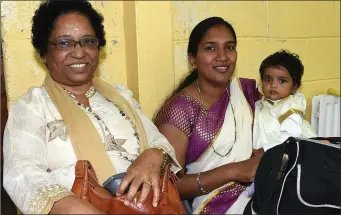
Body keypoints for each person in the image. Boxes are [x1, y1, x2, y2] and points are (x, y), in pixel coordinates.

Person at [2, 0, 180, 214]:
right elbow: (23, 175)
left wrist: (153, 155)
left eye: (87, 41)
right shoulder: (32, 107)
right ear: (43, 52)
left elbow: (159, 141)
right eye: (64, 43)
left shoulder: (121, 97)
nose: (79, 53)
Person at [154, 17, 263, 214]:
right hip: (213, 206)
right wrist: (234, 171)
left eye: (229, 47)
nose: (222, 56)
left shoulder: (246, 92)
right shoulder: (179, 110)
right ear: (193, 59)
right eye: (211, 48)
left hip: (260, 192)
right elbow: (170, 184)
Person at [253, 50, 317, 151]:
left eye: (282, 81)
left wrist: (265, 150)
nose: (273, 85)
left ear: (294, 87)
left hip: (286, 154)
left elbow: (290, 138)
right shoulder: (263, 103)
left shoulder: (291, 107)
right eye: (267, 79)